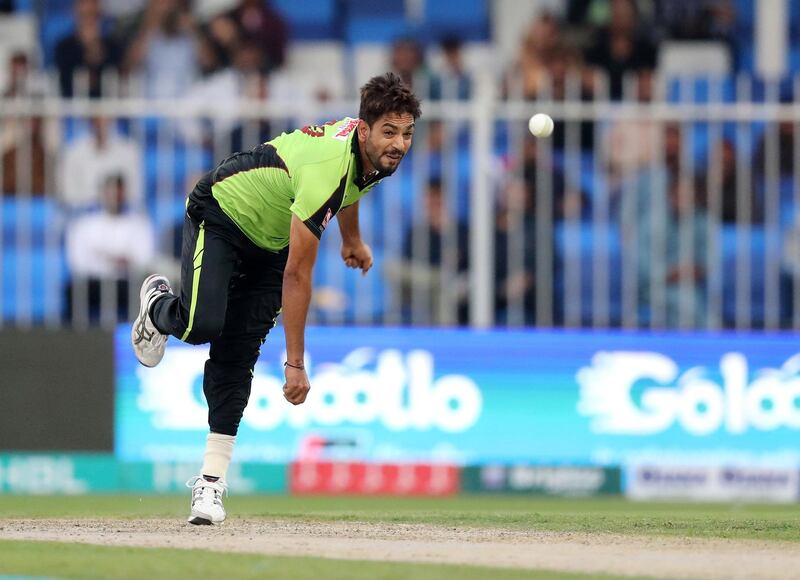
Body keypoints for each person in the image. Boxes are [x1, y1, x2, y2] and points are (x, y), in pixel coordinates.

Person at [131, 72, 421, 525]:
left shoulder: (371, 155)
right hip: (224, 211)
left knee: (237, 355)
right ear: (364, 129)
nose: (400, 144)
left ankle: (210, 485)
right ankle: (156, 306)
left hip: (272, 240)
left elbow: (350, 188)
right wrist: (296, 362)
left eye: (407, 133)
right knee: (198, 326)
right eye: (390, 132)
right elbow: (299, 274)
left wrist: (352, 240)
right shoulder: (331, 163)